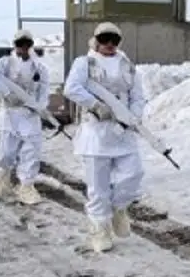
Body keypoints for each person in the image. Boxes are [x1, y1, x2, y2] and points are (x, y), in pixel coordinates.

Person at [62, 22, 146, 253]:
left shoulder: (127, 65)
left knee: (134, 174)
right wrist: (95, 105)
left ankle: (119, 208)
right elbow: (71, 88)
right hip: (95, 133)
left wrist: (133, 117)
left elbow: (137, 96)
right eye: (105, 39)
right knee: (98, 187)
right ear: (96, 40)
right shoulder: (84, 63)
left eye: (114, 40)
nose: (109, 44)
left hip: (123, 132)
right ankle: (99, 228)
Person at [0, 29, 50, 205]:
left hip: (29, 115)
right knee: (7, 152)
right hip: (9, 114)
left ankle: (26, 187)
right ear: (15, 45)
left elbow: (44, 90)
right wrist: (6, 94)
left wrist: (39, 107)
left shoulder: (39, 67)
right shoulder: (5, 62)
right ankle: (2, 179)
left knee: (31, 152)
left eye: (27, 44)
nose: (23, 47)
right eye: (20, 44)